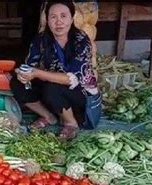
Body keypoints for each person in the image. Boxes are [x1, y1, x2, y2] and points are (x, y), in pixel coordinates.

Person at [12, 0, 100, 140]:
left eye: (63, 16)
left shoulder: (81, 40)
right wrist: (23, 74)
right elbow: (30, 65)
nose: (58, 22)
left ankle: (71, 123)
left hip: (79, 95)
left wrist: (37, 73)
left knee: (52, 87)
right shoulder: (41, 40)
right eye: (53, 17)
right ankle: (49, 116)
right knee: (17, 84)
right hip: (50, 89)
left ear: (72, 18)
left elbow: (72, 78)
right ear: (47, 20)